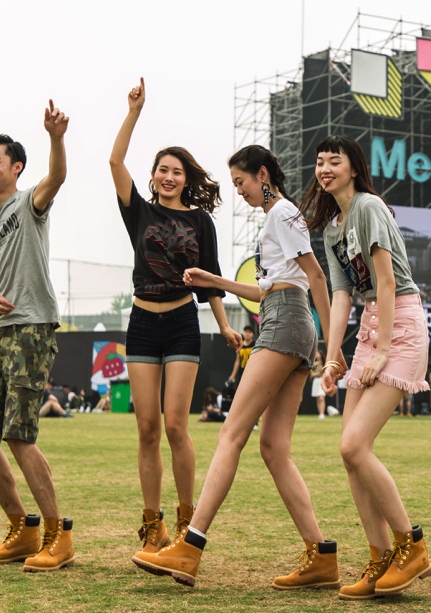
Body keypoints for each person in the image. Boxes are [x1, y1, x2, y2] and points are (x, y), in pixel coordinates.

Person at [134, 143, 336, 591]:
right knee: (273, 449)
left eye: (241, 182)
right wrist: (213, 281)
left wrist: (333, 347)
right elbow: (269, 289)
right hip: (289, 317)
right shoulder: (277, 218)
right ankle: (320, 554)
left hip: (286, 323)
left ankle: (190, 546)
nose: (239, 191)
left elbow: (316, 276)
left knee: (231, 434)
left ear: (262, 175)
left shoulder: (282, 212)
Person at [108, 78, 240, 566]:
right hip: (143, 323)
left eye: (176, 172)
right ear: (154, 176)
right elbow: (114, 162)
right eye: (162, 170)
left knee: (177, 426)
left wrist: (225, 324)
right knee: (146, 428)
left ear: (187, 179)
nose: (169, 177)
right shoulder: (138, 213)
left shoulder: (201, 221)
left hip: (183, 323)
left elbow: (210, 279)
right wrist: (134, 113)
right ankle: (152, 522)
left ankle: (187, 522)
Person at [304, 135, 431, 600]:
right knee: (348, 450)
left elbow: (386, 279)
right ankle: (379, 558)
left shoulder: (369, 206)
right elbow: (341, 296)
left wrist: (380, 347)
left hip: (399, 320)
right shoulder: (332, 227)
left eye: (333, 161)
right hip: (370, 323)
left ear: (353, 168)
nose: (324, 168)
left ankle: (410, 546)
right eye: (319, 162)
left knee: (357, 445)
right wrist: (332, 356)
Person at [0, 106, 74, 573]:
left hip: (32, 329)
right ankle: (22, 528)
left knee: (18, 433)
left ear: (16, 168)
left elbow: (59, 176)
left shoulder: (30, 203)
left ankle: (57, 534)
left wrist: (56, 137)